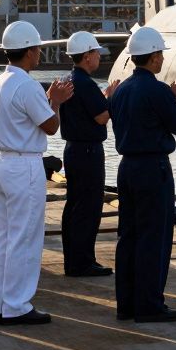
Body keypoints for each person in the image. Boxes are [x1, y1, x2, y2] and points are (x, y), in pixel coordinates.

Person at [0, 22, 73, 326]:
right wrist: (56, 103)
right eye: (37, 49)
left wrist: (48, 101)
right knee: (25, 238)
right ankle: (17, 305)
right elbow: (50, 126)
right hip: (24, 165)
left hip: (3, 164)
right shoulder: (26, 85)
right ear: (30, 51)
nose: (40, 54)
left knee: (6, 238)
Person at [109, 26, 176, 323]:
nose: (162, 59)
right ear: (154, 57)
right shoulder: (157, 90)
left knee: (128, 236)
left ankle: (126, 304)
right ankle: (150, 304)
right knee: (154, 237)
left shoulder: (121, 91)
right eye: (160, 54)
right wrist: (174, 97)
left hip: (127, 167)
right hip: (153, 168)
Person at [60, 31, 118, 277]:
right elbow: (101, 117)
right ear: (86, 57)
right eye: (96, 54)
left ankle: (73, 259)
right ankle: (83, 261)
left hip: (73, 149)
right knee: (88, 207)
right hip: (87, 151)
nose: (99, 58)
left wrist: (103, 98)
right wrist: (113, 99)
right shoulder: (86, 83)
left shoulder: (68, 79)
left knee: (74, 204)